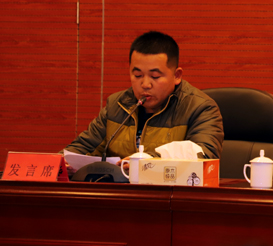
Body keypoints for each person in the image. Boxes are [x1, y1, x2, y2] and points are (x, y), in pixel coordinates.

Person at [64, 31, 224, 162]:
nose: (145, 84)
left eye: (155, 76)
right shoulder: (117, 105)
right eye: (138, 75)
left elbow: (205, 155)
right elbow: (82, 148)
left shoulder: (200, 108)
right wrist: (59, 163)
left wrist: (147, 161)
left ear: (176, 76)